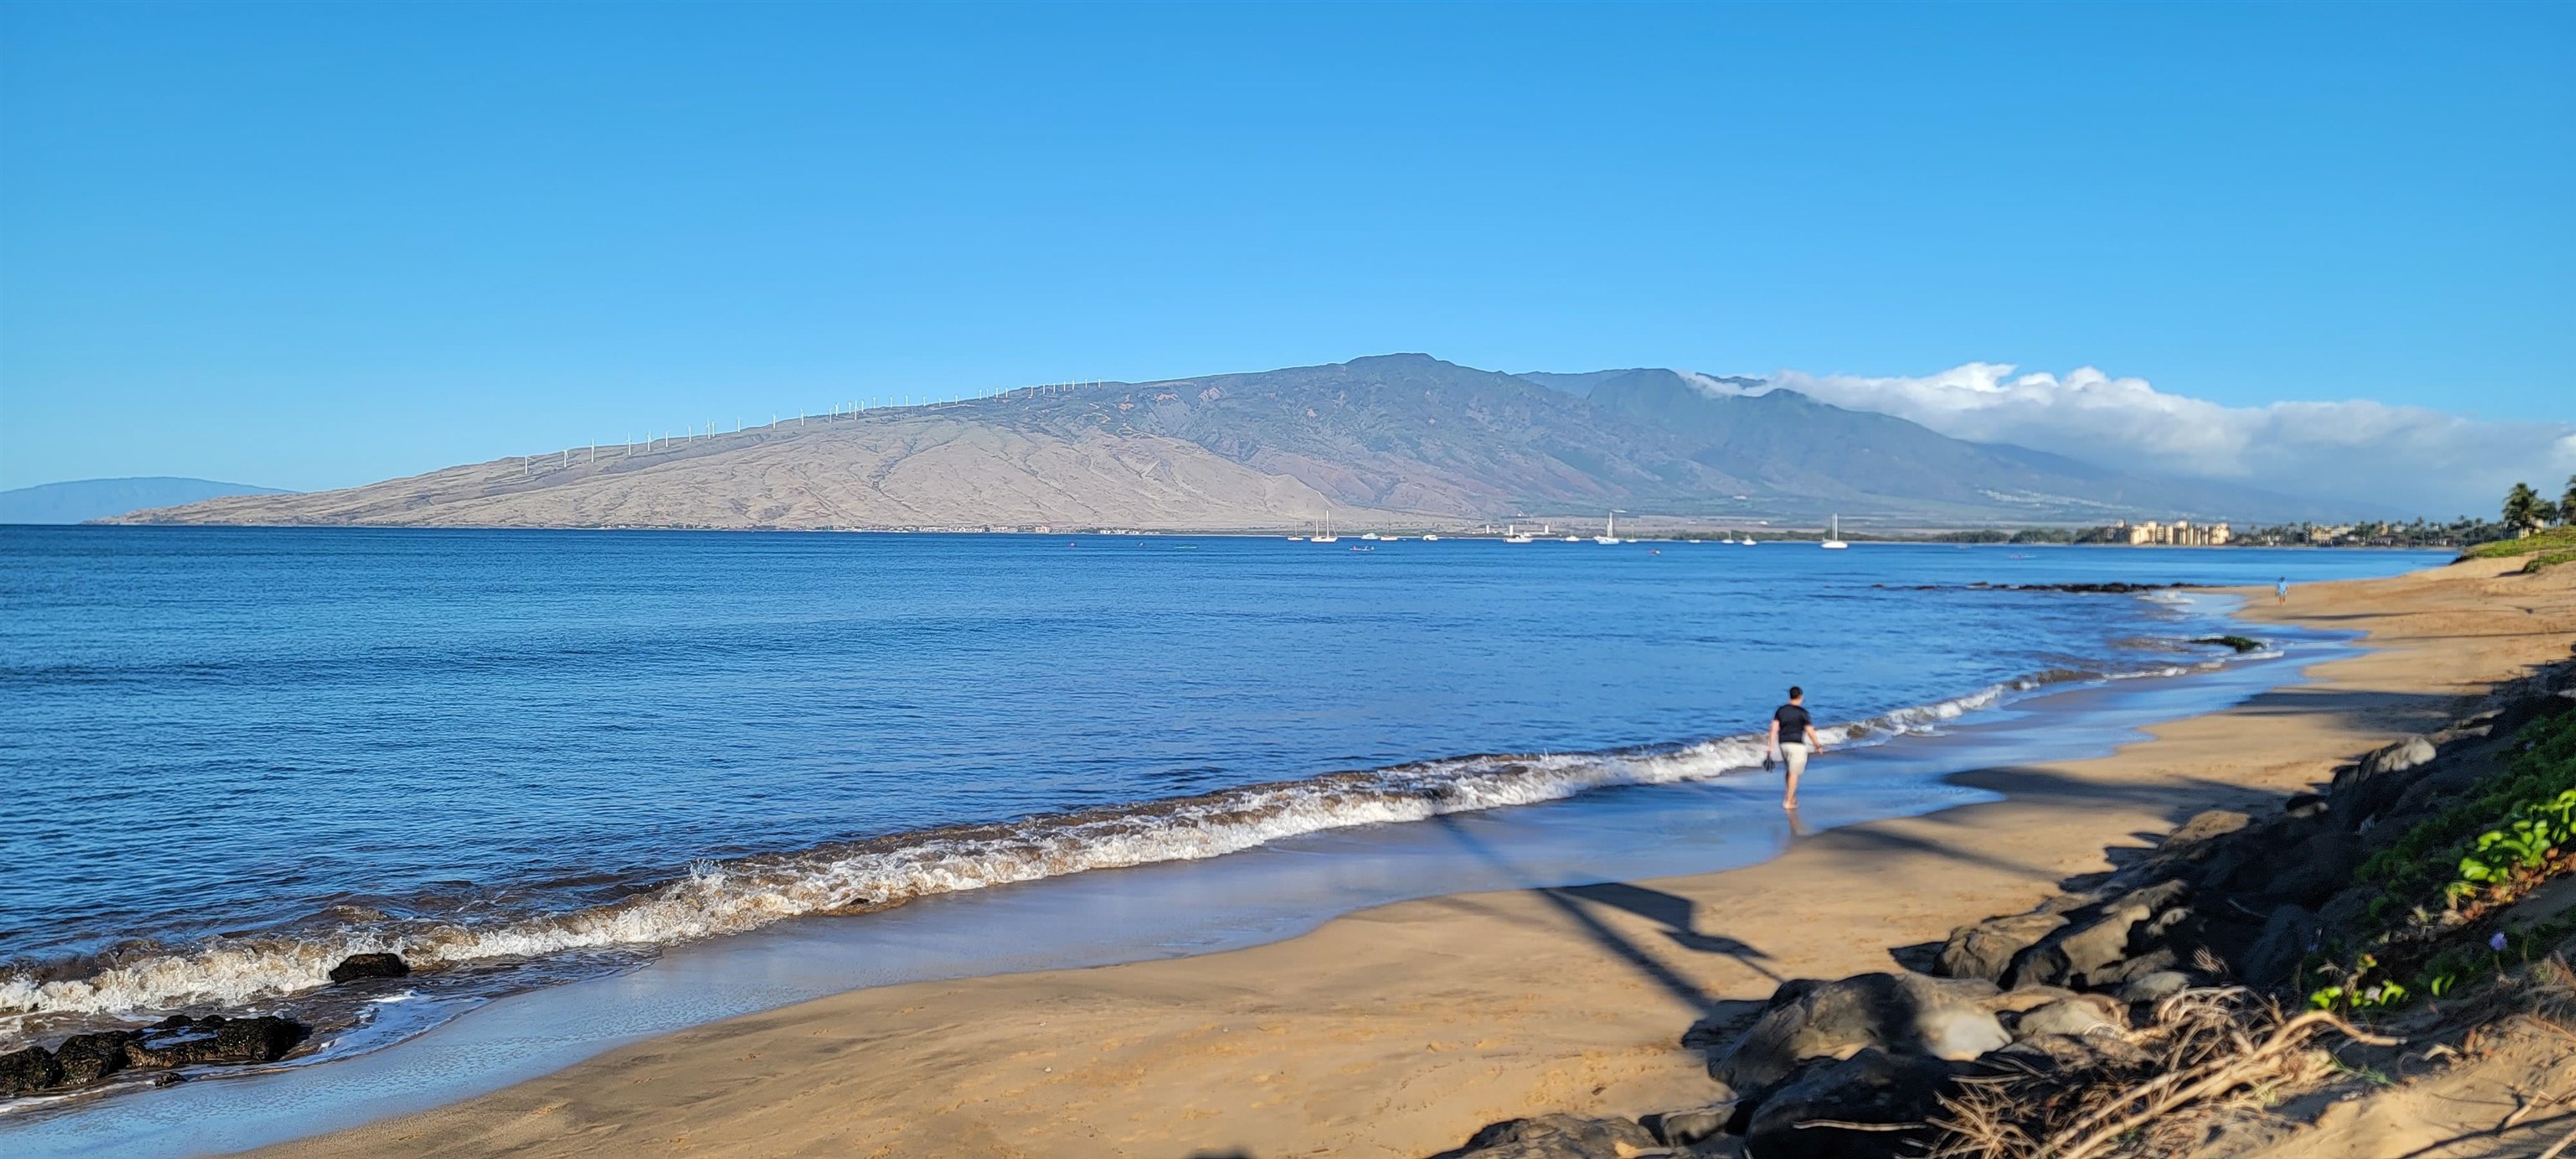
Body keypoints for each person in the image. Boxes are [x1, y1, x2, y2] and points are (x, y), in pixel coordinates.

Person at [1768, 685, 1825, 810]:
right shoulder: (1803, 713)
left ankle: (1790, 796)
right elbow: (1810, 731)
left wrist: (1770, 746)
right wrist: (1817, 745)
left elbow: (1773, 729)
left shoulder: (1781, 711)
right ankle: (1788, 801)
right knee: (1795, 773)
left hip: (1783, 744)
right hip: (1797, 745)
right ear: (1800, 697)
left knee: (1789, 771)